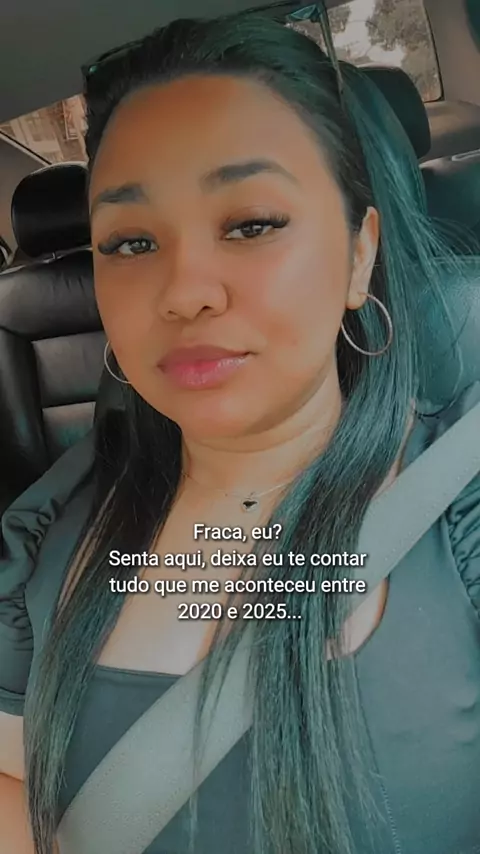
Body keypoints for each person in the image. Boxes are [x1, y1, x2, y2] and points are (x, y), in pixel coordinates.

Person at [0, 9, 479, 854]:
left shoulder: (460, 504)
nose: (186, 290)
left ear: (358, 255)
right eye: (131, 241)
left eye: (251, 224)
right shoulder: (45, 533)